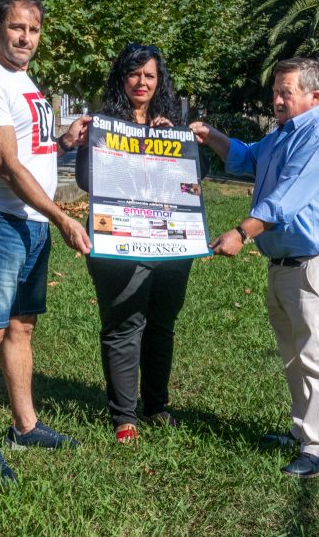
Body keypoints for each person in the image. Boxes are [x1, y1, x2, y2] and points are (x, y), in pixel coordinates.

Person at [190, 58, 319, 479]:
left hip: (312, 263)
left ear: (315, 96)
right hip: (283, 263)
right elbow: (245, 157)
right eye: (276, 92)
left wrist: (241, 234)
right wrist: (211, 136)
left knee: (316, 355)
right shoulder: (284, 133)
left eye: (287, 92)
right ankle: (303, 431)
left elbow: (284, 200)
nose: (278, 100)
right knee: (294, 355)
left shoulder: (318, 138)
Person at [0, 0, 92, 481]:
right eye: (17, 27)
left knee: (22, 327)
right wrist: (62, 216)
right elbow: (8, 166)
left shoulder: (22, 79)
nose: (25, 38)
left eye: (33, 30)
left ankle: (25, 424)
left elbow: (30, 148)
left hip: (29, 223)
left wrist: (62, 141)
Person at [76, 44, 200, 444]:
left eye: (149, 75)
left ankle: (157, 406)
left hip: (171, 243)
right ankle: (124, 416)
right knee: (124, 326)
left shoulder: (172, 124)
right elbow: (84, 180)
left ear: (159, 80)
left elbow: (192, 182)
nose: (141, 82)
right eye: (133, 74)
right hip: (119, 241)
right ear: (121, 78)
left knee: (162, 326)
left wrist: (174, 144)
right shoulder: (102, 124)